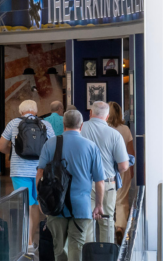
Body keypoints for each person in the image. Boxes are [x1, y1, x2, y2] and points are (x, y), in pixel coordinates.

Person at [37, 110, 105, 260]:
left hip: (55, 205)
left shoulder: (50, 143)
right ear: (81, 126)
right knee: (77, 247)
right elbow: (100, 181)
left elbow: (40, 173)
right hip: (81, 207)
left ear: (63, 124)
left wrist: (40, 199)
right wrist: (99, 205)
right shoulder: (91, 147)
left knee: (59, 248)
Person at [0, 100, 55, 250]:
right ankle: (32, 239)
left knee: (26, 204)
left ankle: (28, 242)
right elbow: (53, 147)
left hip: (19, 171)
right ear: (35, 110)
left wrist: (12, 152)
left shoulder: (13, 123)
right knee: (35, 205)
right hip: (39, 170)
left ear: (20, 111)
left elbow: (0, 146)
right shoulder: (45, 124)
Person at [81, 101, 129, 243]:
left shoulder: (80, 129)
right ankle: (105, 255)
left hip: (85, 184)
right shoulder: (114, 134)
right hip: (107, 183)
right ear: (107, 116)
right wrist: (114, 170)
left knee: (87, 222)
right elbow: (124, 165)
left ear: (90, 113)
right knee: (107, 224)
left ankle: (88, 255)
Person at [107, 101, 135, 244]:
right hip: (122, 167)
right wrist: (132, 171)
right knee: (122, 201)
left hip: (106, 168)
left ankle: (107, 230)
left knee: (107, 199)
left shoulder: (104, 129)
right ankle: (120, 228)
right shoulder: (125, 129)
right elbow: (131, 153)